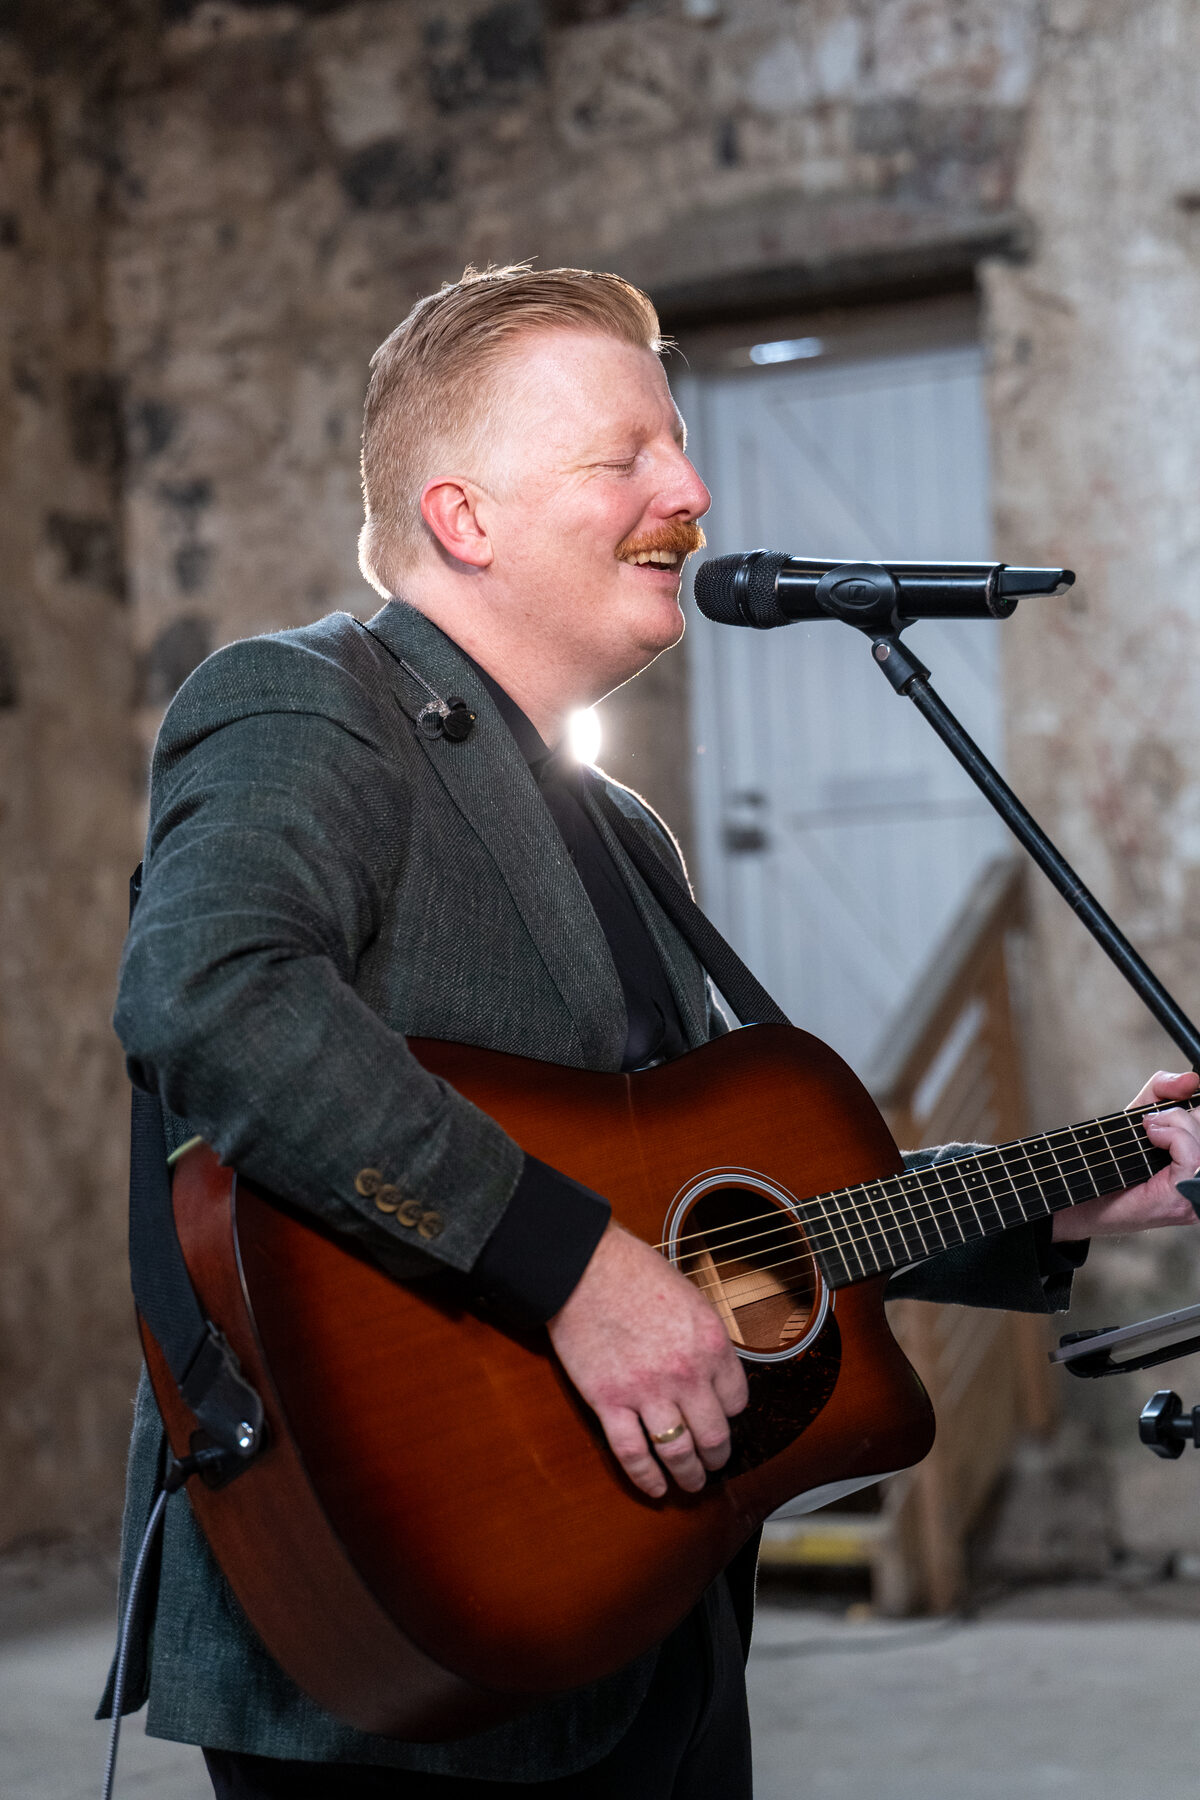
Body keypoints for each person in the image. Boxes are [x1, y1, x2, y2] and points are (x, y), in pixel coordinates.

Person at [103, 264, 1200, 1798]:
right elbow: (212, 993)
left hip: (656, 1628)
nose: (689, 489)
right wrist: (565, 1268)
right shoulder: (302, 704)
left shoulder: (620, 832)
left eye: (678, 446)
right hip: (403, 1625)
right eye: (624, 455)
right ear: (464, 517)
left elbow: (712, 1233)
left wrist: (1070, 1188)